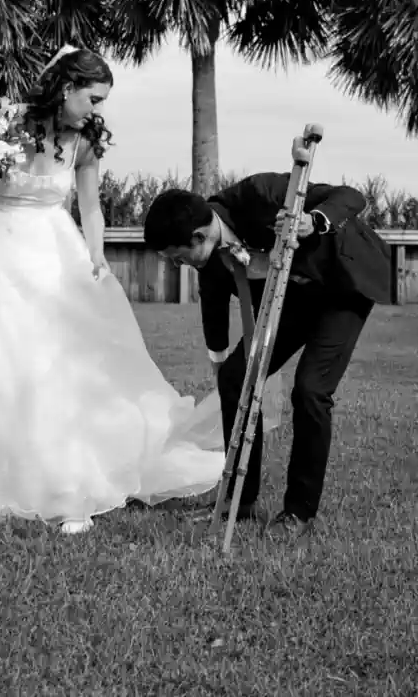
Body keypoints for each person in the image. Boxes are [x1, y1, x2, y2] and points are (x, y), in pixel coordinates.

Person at [0, 46, 223, 533]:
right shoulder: (5, 126)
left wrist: (95, 253)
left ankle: (64, 476)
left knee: (58, 364)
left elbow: (91, 207)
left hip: (55, 252)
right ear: (66, 87)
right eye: (93, 99)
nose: (98, 110)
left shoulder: (85, 140)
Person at [143, 167, 388, 532]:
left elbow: (352, 196)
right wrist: (224, 370)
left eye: (178, 257)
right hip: (293, 299)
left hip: (342, 282)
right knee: (234, 376)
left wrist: (312, 221)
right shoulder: (210, 259)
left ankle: (299, 513)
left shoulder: (260, 193)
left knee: (310, 389)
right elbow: (213, 313)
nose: (179, 266)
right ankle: (241, 502)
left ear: (198, 236)